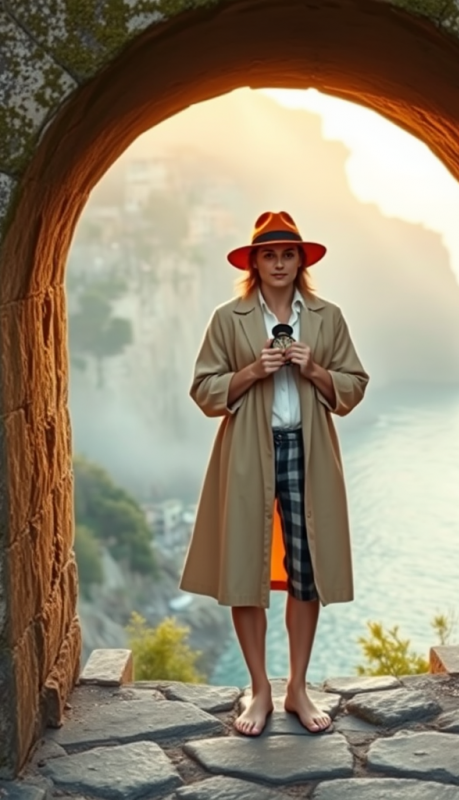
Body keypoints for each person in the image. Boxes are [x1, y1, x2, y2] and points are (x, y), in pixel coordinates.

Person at [180, 210, 369, 736]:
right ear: (255, 262)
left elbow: (354, 384)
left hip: (308, 452)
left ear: (301, 260)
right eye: (269, 254)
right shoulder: (229, 318)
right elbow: (203, 390)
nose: (279, 263)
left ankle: (297, 689)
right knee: (245, 571)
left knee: (307, 576)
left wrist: (314, 370)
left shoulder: (327, 317)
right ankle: (259, 690)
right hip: (246, 454)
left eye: (288, 254)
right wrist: (249, 373)